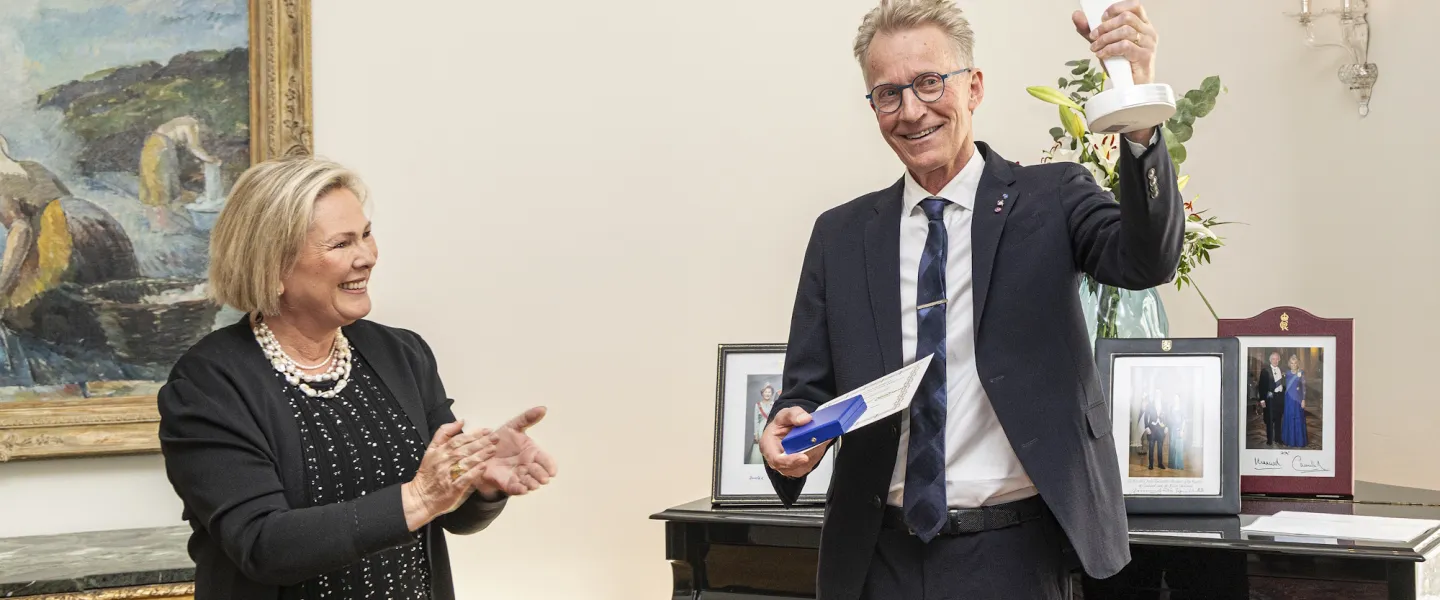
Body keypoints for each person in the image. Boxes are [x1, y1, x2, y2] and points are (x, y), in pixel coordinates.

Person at [756, 1, 1183, 598]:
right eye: (887, 94)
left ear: (974, 86)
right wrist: (794, 432)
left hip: (1018, 554)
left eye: (930, 82)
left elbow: (1146, 260)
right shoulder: (839, 236)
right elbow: (809, 389)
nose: (911, 111)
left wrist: (1139, 117)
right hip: (878, 559)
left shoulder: (1052, 197)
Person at [157, 156, 558, 599]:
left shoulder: (402, 354)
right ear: (273, 268)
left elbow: (446, 515)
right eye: (341, 244)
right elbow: (262, 544)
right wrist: (420, 497)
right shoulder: (208, 384)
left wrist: (478, 482)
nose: (366, 257)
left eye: (365, 234)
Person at [0, 133, 141, 365]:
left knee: (23, 307)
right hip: (93, 219)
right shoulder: (32, 167)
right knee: (109, 289)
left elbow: (21, 229)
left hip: (62, 231)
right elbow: (64, 199)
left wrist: (3, 286)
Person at [139, 115, 221, 231]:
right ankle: (164, 225)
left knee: (150, 185)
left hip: (150, 146)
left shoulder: (180, 122)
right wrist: (210, 159)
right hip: (162, 147)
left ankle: (154, 225)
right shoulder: (192, 125)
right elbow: (194, 147)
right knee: (162, 186)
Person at [1258, 350, 1286, 446]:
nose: (1275, 361)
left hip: (1280, 398)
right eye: (1273, 359)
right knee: (1269, 420)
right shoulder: (1265, 371)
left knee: (1279, 419)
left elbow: (1285, 384)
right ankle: (1269, 440)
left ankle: (1278, 438)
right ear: (1270, 360)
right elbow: (1261, 386)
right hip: (1270, 398)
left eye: (1277, 359)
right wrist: (1262, 399)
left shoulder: (1282, 370)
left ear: (1279, 360)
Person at [1280, 354, 1308, 447]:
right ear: (1289, 364)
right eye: (1292, 363)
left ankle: (1299, 441)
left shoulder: (1301, 373)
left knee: (1298, 418)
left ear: (1298, 364)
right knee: (1289, 417)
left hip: (1297, 400)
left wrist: (1303, 399)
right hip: (1288, 399)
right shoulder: (1286, 373)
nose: (1293, 365)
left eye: (1295, 363)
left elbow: (1304, 387)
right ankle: (1289, 440)